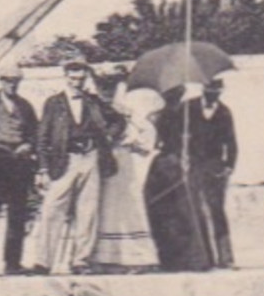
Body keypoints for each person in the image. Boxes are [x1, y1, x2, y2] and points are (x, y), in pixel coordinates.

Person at [33, 58, 122, 275]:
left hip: (90, 157)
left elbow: (118, 121)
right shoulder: (53, 103)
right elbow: (42, 137)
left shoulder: (93, 102)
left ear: (86, 79)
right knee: (52, 209)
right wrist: (43, 168)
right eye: (73, 78)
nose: (77, 83)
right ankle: (43, 261)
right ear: (66, 78)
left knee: (87, 211)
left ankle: (81, 260)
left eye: (81, 79)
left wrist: (108, 137)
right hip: (64, 160)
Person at [144, 84, 215, 272]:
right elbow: (157, 142)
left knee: (186, 210)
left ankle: (194, 258)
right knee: (164, 209)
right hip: (166, 163)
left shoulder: (188, 114)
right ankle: (172, 258)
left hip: (182, 162)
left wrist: (188, 147)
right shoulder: (162, 114)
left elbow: (200, 138)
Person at [0, 57, 40, 274]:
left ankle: (12, 263)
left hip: (19, 163)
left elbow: (36, 133)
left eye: (15, 81)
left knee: (18, 214)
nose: (12, 85)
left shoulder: (25, 106)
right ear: (1, 81)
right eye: (7, 80)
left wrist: (28, 145)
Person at [93, 84, 162, 271]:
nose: (106, 94)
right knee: (105, 207)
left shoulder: (128, 115)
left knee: (128, 207)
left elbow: (147, 136)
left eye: (110, 89)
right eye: (103, 89)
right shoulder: (95, 111)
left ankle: (136, 256)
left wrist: (134, 142)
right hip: (104, 164)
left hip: (124, 166)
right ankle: (104, 257)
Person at [189, 77, 238, 268]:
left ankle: (225, 258)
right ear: (202, 88)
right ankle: (203, 259)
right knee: (195, 211)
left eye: (216, 91)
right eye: (209, 90)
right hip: (193, 166)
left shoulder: (224, 112)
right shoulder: (189, 108)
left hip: (215, 168)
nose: (212, 94)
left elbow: (232, 142)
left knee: (217, 211)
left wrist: (228, 166)